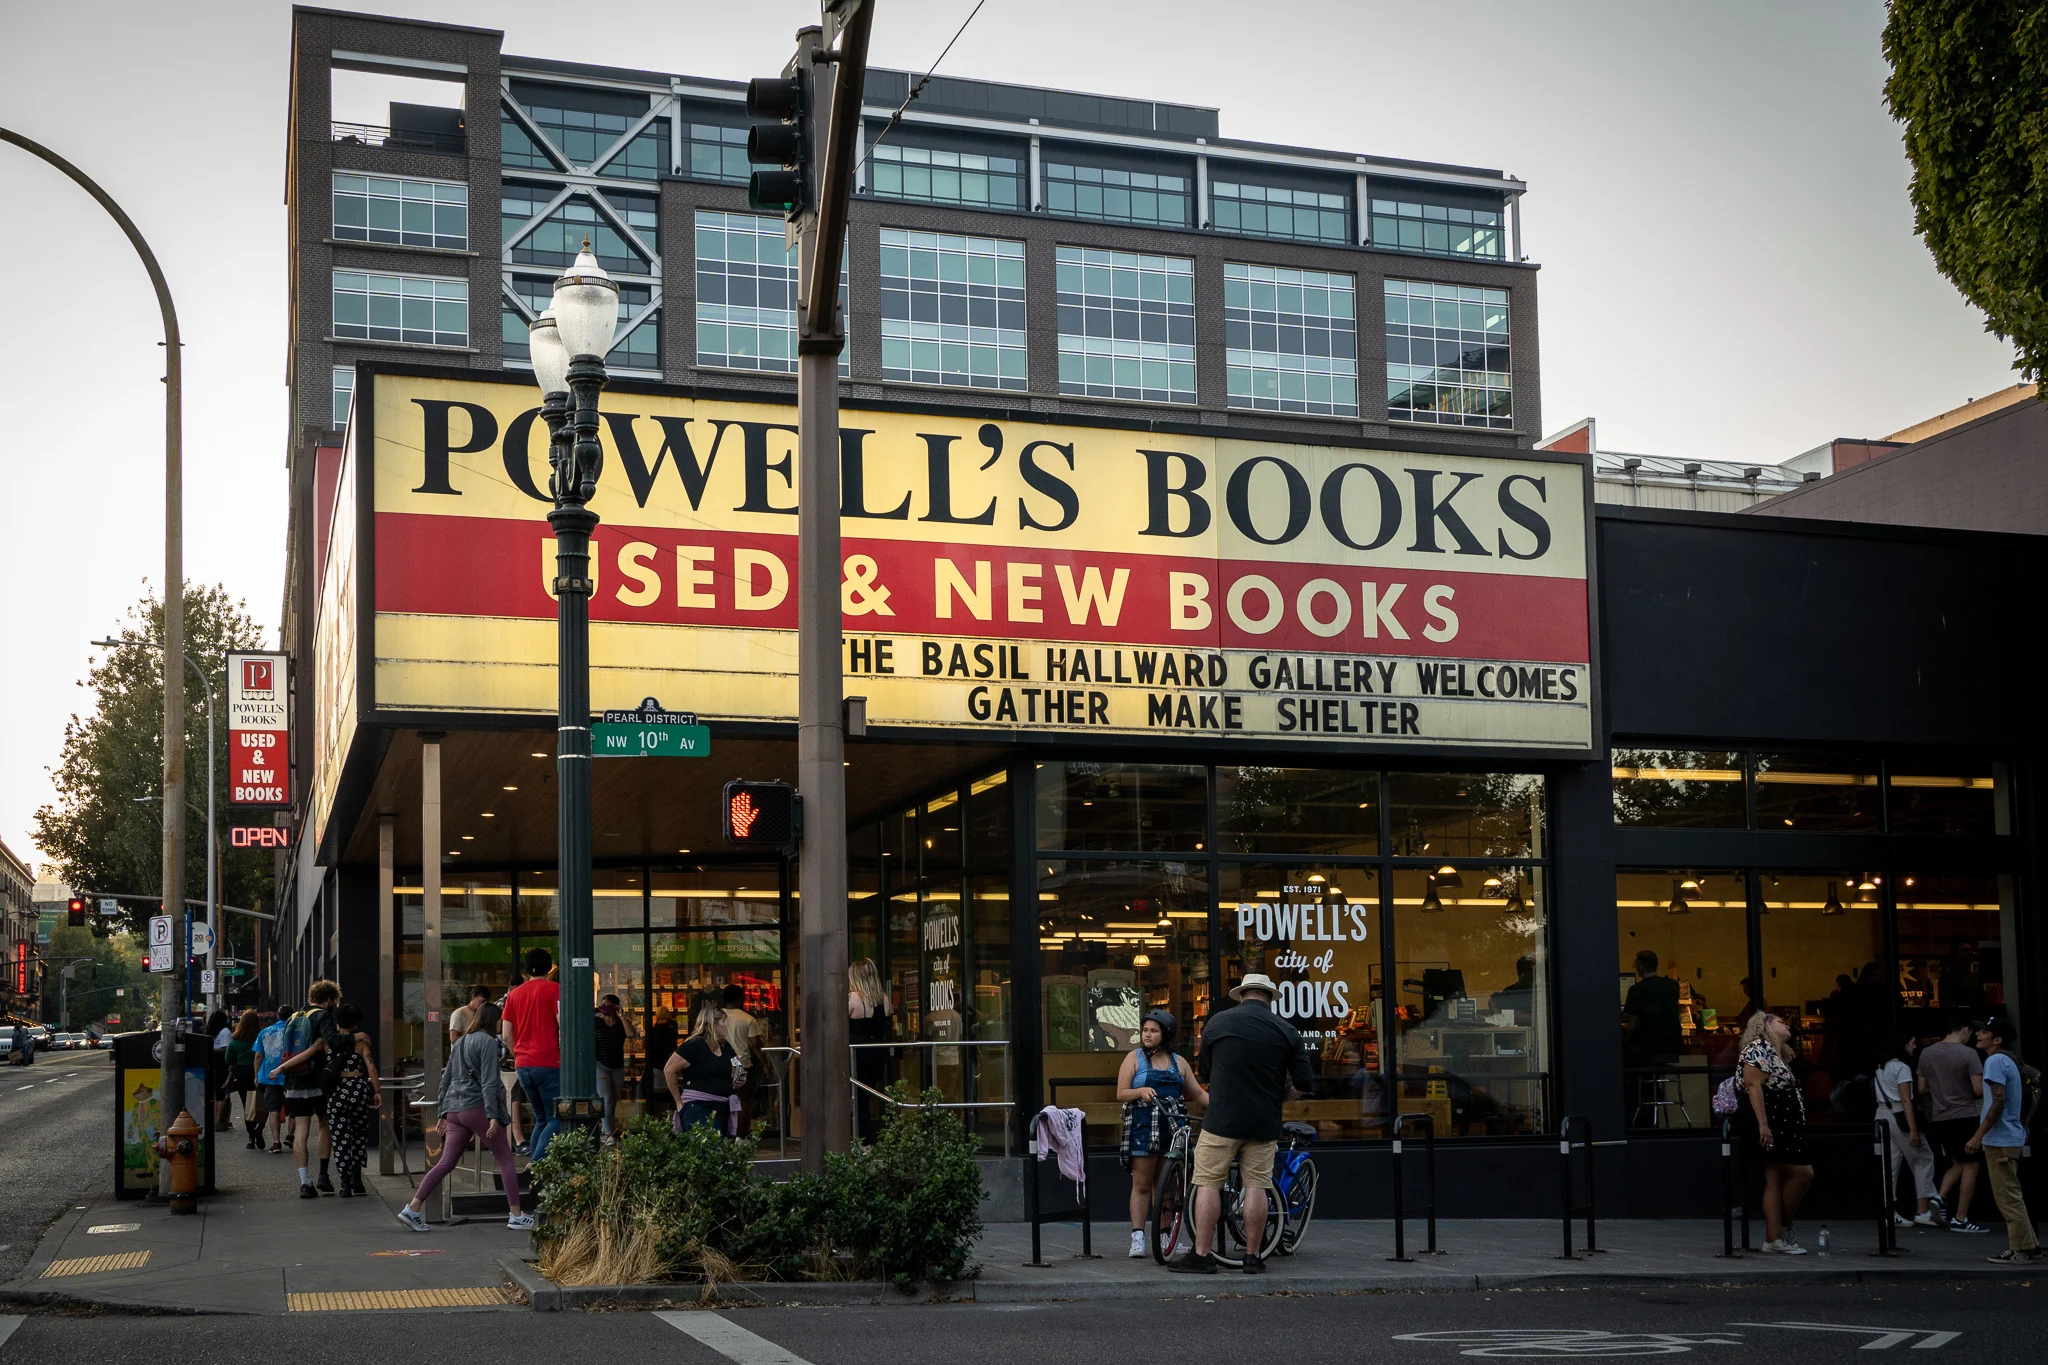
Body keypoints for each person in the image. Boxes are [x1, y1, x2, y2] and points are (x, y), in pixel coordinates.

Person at [1168, 973, 1314, 1276]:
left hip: (1222, 1119)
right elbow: (1304, 1082)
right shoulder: (1286, 1030)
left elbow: (1205, 1072)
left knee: (1208, 1182)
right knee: (1257, 1186)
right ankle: (1252, 1256)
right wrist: (1280, 1097)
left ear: (1243, 993)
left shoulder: (1217, 1023)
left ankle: (1202, 1254)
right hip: (1263, 1121)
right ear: (1270, 997)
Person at [399, 1001, 534, 1233]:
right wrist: (493, 1115)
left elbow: (446, 1078)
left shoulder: (460, 1042)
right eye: (501, 1020)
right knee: (505, 1159)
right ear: (493, 1021)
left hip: (454, 1110)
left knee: (446, 1162)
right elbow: (490, 1082)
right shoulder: (489, 1043)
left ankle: (413, 1208)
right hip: (477, 1107)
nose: (503, 1024)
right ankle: (516, 1215)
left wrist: (442, 1112)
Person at [1117, 1008, 1207, 1258]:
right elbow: (1121, 1092)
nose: (1147, 1035)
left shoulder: (1179, 1062)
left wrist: (1223, 1105)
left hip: (1173, 1128)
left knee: (1168, 1187)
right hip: (1144, 1126)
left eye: (1153, 1031)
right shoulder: (1134, 1058)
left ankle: (1167, 1235)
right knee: (1142, 1184)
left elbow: (1198, 1093)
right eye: (1145, 1030)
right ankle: (1138, 1238)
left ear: (1166, 1035)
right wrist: (1140, 1091)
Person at [1737, 1011, 1813, 1253]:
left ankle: (1773, 1239)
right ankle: (1785, 1226)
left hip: (1783, 1124)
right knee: (1803, 1173)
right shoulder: (1759, 1047)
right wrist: (1763, 1125)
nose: (1786, 1023)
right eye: (1780, 1021)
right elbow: (1753, 1085)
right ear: (1765, 1026)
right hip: (1773, 1124)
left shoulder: (1777, 1053)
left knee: (1774, 1175)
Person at [1967, 1017, 2037, 1264]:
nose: (1979, 1034)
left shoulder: (1995, 1061)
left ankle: (2020, 1250)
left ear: (1997, 1039)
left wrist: (1978, 1135)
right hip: (2010, 1136)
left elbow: (1998, 1100)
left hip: (2001, 1139)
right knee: (2011, 1194)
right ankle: (2029, 1245)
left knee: (2007, 1198)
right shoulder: (2008, 1059)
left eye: (1984, 1032)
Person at [1920, 1014, 1988, 1232]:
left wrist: (1942, 1091)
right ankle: (1961, 1217)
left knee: (1957, 1162)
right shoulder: (1969, 1054)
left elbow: (1921, 1089)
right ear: (1965, 1030)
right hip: (1965, 1115)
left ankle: (1939, 1198)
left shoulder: (1926, 1053)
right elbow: (1978, 1089)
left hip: (1940, 1117)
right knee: (1972, 1164)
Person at [277, 981, 341, 1197]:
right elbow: (335, 1042)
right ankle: (324, 1174)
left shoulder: (293, 1017)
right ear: (329, 999)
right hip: (317, 1079)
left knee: (301, 1129)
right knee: (324, 1124)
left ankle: (305, 1182)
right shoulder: (322, 1016)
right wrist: (353, 1037)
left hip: (294, 1079)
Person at [501, 948, 562, 1162]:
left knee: (541, 1119)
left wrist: (518, 1053)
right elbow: (562, 1025)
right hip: (549, 1061)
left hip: (522, 1064)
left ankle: (535, 1167)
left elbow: (506, 1034)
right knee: (558, 1117)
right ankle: (537, 1164)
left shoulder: (514, 995)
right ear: (549, 968)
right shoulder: (554, 989)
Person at [1877, 1030, 1939, 1226]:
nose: (1914, 1046)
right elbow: (1905, 1099)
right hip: (1899, 1115)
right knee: (1923, 1158)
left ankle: (1888, 1210)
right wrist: (1913, 1129)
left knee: (1890, 1164)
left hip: (1881, 1114)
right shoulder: (1901, 1067)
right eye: (1912, 1042)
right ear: (1902, 1045)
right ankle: (1923, 1210)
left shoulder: (1880, 1067)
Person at [664, 991, 739, 1134]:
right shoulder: (694, 1045)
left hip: (722, 1106)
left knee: (720, 1149)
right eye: (724, 1022)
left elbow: (737, 1066)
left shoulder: (725, 1046)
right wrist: (678, 1102)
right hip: (698, 1107)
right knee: (711, 1147)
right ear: (713, 1024)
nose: (726, 1027)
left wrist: (739, 1077)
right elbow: (669, 1069)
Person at [848, 958, 892, 1140]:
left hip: (856, 1052)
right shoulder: (885, 999)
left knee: (855, 1099)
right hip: (877, 1052)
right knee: (864, 1098)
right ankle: (866, 1139)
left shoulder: (852, 998)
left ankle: (862, 1141)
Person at [1621, 950, 1682, 1065]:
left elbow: (1632, 1026)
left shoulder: (1636, 989)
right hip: (1673, 1045)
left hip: (1649, 1046)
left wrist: (1622, 1039)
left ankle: (1639, 1082)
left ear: (1641, 967)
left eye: (1635, 965)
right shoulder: (1673, 985)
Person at [253, 1009, 291, 1153]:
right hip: (292, 1075)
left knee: (273, 1109)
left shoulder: (265, 1032)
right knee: (294, 1108)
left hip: (271, 1077)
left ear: (277, 1016)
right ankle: (291, 1136)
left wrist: (256, 1076)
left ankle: (276, 1142)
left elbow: (258, 1056)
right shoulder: (294, 1031)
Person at [593, 993, 629, 1142]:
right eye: (603, 1003)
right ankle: (608, 1134)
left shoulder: (621, 1023)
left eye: (607, 1003)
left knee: (613, 1101)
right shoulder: (597, 1022)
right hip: (600, 1064)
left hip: (617, 1066)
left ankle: (605, 1128)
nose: (604, 1006)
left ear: (615, 1006)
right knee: (606, 1099)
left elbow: (631, 1033)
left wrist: (622, 1016)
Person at [722, 984, 758, 1125]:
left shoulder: (717, 1017)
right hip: (741, 1064)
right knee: (742, 1099)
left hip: (721, 1064)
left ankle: (724, 1134)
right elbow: (755, 1045)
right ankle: (741, 1135)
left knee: (722, 1098)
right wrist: (766, 1065)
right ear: (739, 998)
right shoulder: (747, 1019)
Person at [226, 1010, 262, 1148]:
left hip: (242, 1074)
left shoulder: (235, 1042)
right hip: (258, 1073)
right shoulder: (261, 1037)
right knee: (260, 1103)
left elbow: (228, 1059)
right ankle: (260, 1128)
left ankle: (251, 1136)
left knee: (246, 1105)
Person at [644, 1006, 679, 1121]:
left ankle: (658, 1116)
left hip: (657, 1062)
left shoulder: (655, 1027)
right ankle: (670, 1115)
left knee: (658, 1089)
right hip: (670, 1059)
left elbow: (651, 1044)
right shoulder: (673, 1025)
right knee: (671, 1087)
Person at [205, 1009, 233, 1133]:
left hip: (221, 1065)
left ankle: (221, 1120)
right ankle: (219, 1118)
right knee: (217, 1093)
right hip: (215, 1065)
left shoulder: (225, 1032)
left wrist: (211, 1052)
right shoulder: (218, 1032)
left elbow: (226, 1050)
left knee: (221, 1093)